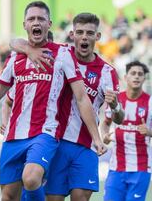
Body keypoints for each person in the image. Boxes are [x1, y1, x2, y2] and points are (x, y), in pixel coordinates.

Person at [0, 2, 105, 201]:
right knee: (8, 196)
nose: (36, 22)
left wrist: (96, 137)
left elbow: (81, 97)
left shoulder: (63, 54)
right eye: (32, 19)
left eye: (41, 19)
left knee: (32, 179)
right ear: (25, 24)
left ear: (49, 24)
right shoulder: (15, 58)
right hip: (13, 136)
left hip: (45, 133)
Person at [9, 13, 123, 201]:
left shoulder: (107, 72)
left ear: (98, 37)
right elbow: (14, 42)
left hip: (86, 146)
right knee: (53, 198)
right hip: (57, 142)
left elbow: (118, 118)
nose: (84, 37)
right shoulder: (60, 55)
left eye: (89, 33)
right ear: (72, 35)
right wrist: (29, 50)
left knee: (80, 197)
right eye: (79, 32)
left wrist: (116, 105)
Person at [102, 60, 151, 201]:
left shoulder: (150, 102)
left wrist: (149, 132)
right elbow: (105, 123)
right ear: (126, 77)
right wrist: (104, 134)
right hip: (116, 167)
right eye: (133, 73)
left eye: (140, 74)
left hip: (141, 167)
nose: (136, 77)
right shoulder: (116, 100)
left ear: (144, 79)